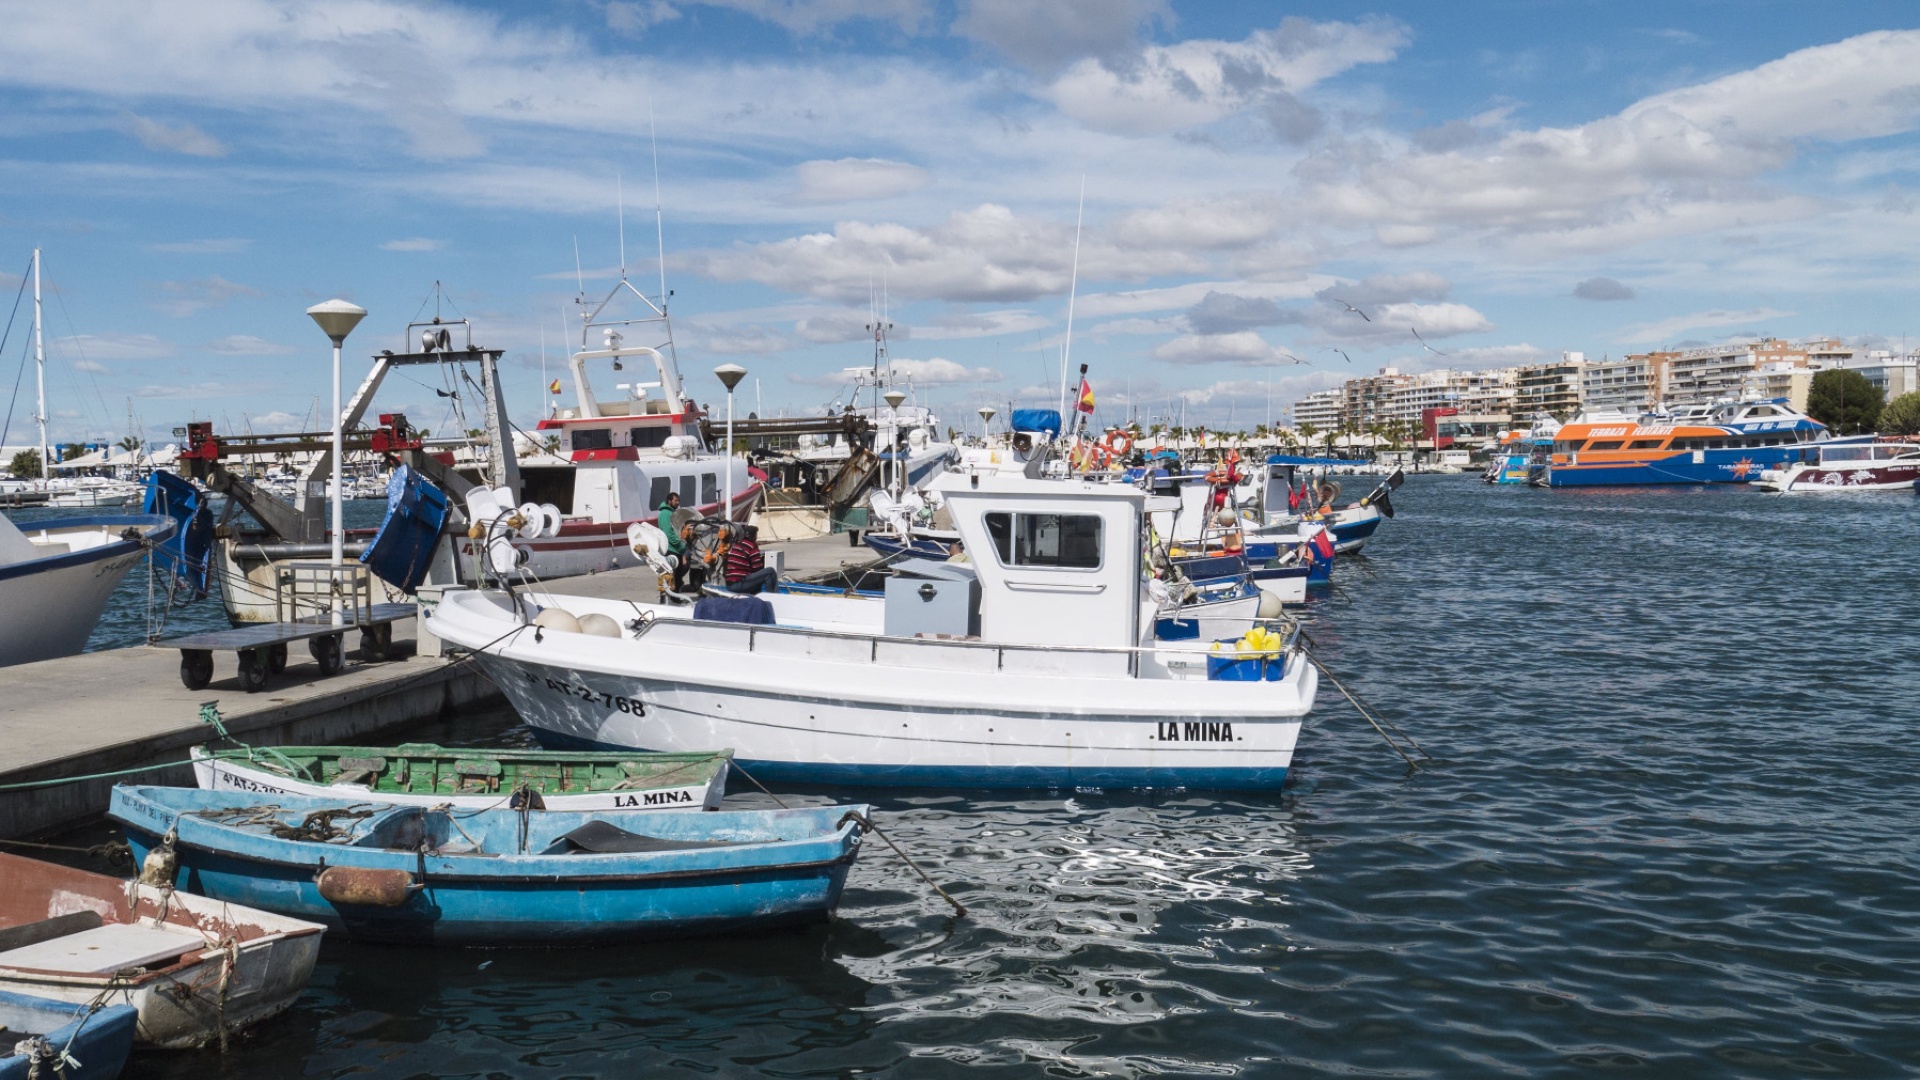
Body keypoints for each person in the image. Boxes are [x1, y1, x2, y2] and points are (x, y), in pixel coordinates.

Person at [724, 523, 778, 594]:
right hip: (740, 584)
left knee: (755, 578)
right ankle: (773, 599)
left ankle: (755, 597)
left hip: (729, 584)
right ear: (753, 536)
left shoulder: (737, 545)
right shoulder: (752, 546)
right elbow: (757, 568)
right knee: (770, 572)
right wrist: (762, 562)